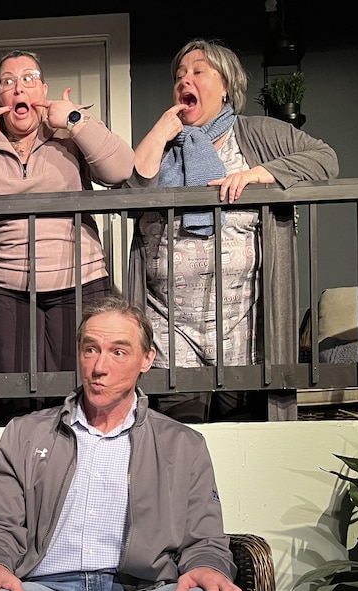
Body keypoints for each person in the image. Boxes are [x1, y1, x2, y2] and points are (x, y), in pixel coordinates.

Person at [0, 294, 251, 591]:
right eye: (90, 349)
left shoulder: (183, 444)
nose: (99, 367)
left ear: (147, 359)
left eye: (119, 352)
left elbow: (204, 538)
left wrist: (208, 568)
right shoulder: (25, 434)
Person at [127, 38, 339, 423]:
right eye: (179, 75)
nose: (184, 80)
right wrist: (159, 133)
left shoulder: (256, 134)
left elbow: (325, 159)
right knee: (178, 442)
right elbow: (130, 191)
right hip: (169, 329)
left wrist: (262, 173)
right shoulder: (163, 146)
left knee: (244, 443)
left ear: (225, 85)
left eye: (197, 72)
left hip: (242, 329)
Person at [0, 49, 135, 426]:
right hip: (7, 289)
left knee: (82, 392)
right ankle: (24, 461)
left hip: (80, 282)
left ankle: (78, 460)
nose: (19, 88)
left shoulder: (70, 134)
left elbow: (120, 170)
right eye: (8, 81)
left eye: (28, 79)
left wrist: (75, 120)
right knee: (16, 400)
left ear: (43, 90)